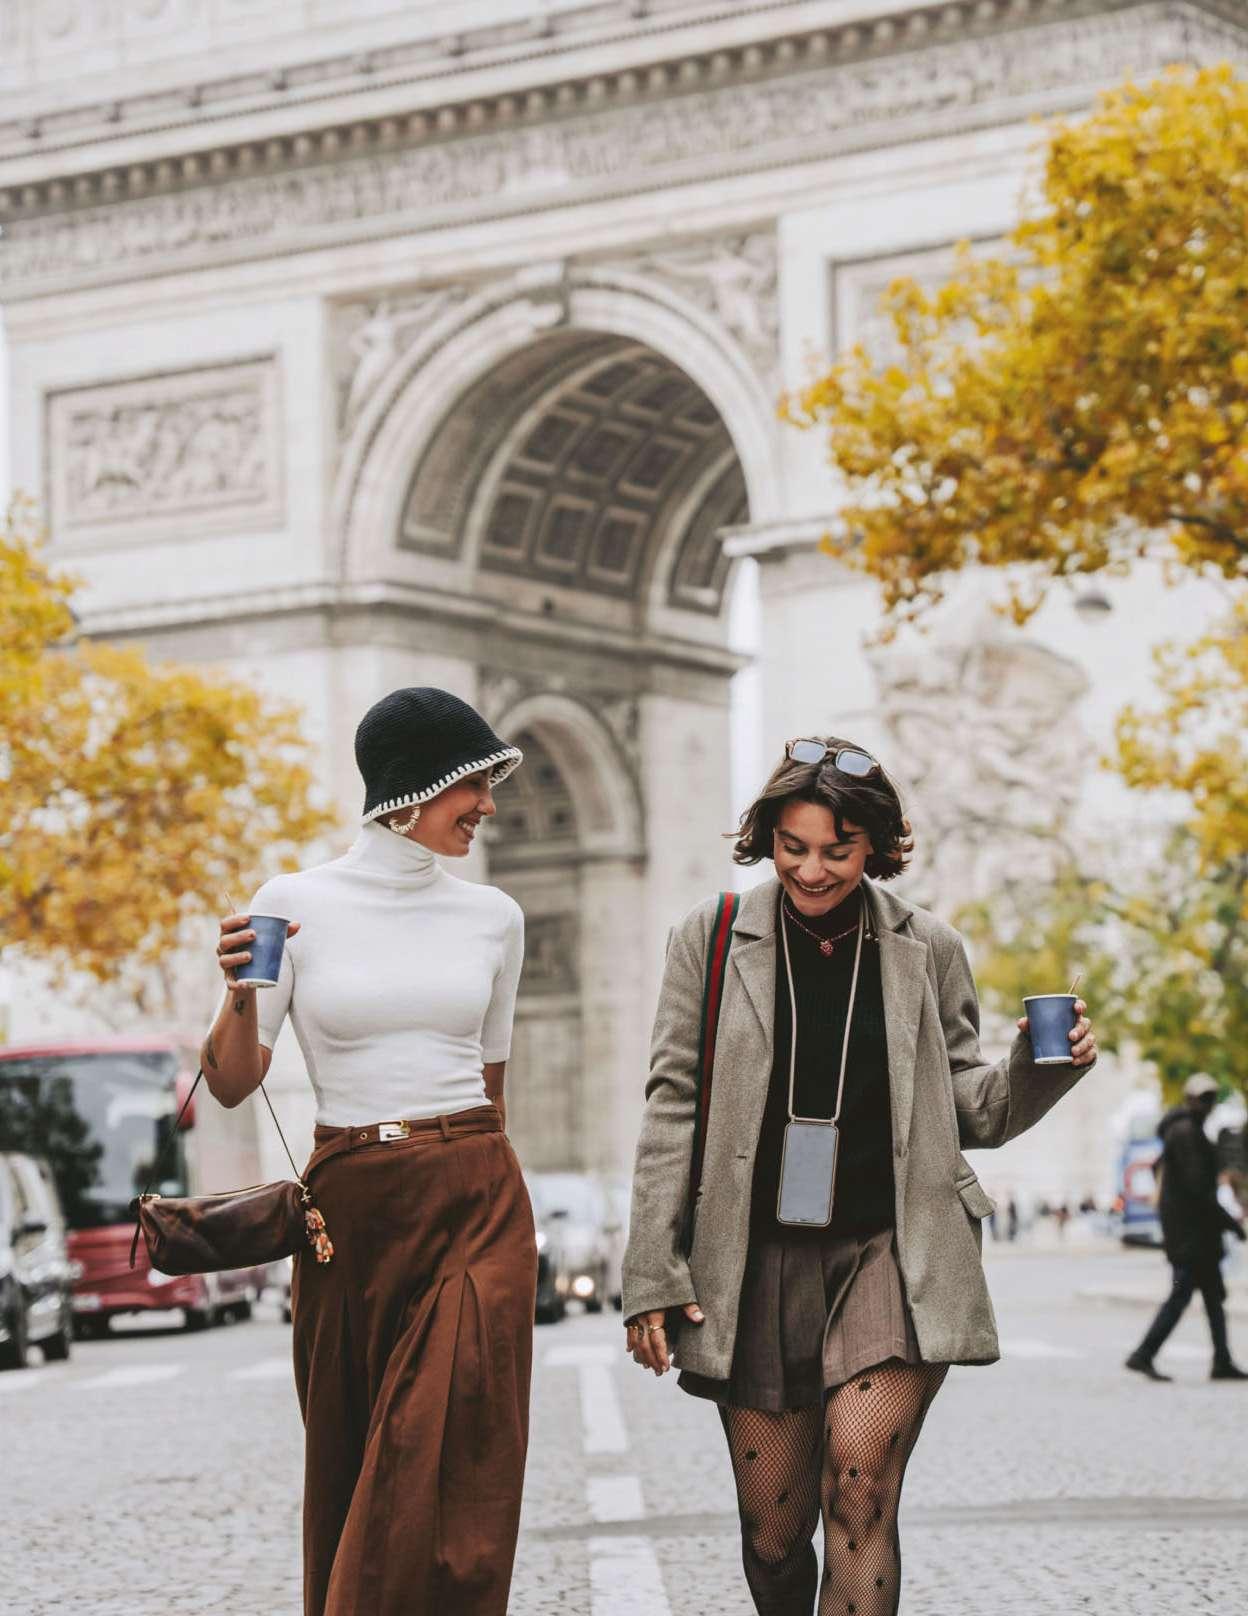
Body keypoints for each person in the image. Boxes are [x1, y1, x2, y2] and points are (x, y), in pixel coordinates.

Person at [621, 736, 1097, 1616]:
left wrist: (1039, 1066)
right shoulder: (711, 939)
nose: (811, 870)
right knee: (774, 1538)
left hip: (891, 1250)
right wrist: (653, 1270)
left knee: (861, 1483)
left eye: (836, 851)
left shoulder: (930, 947)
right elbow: (670, 1107)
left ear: (875, 844)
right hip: (755, 1261)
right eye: (792, 847)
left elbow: (973, 1108)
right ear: (768, 839)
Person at [201, 687, 537, 1616]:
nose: (489, 805)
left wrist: (489, 1190)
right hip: (351, 1213)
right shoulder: (290, 904)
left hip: (476, 1198)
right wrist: (238, 991)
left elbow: (492, 1085)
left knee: (452, 1453)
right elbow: (231, 1082)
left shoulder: (495, 917)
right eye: (474, 783)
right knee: (357, 1460)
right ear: (413, 786)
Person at [1125, 1074, 1248, 1384]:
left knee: (1213, 1298)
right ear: (1190, 1099)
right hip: (1192, 1236)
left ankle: (1222, 1360)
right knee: (1182, 1297)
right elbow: (1198, 1188)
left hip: (1196, 1234)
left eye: (1211, 1098)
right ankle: (1144, 1354)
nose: (1208, 1104)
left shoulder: (1185, 1131)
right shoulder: (1185, 1132)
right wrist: (1230, 1223)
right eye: (1203, 1098)